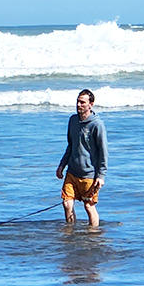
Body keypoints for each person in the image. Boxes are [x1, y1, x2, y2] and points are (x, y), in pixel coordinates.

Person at [56, 89, 108, 227]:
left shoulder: (97, 124)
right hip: (72, 172)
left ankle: (94, 235)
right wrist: (61, 165)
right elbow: (71, 145)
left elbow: (103, 152)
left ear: (91, 104)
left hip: (89, 175)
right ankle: (71, 232)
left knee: (89, 206)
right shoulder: (73, 120)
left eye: (82, 102)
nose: (78, 105)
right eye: (77, 102)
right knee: (67, 204)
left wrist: (101, 176)